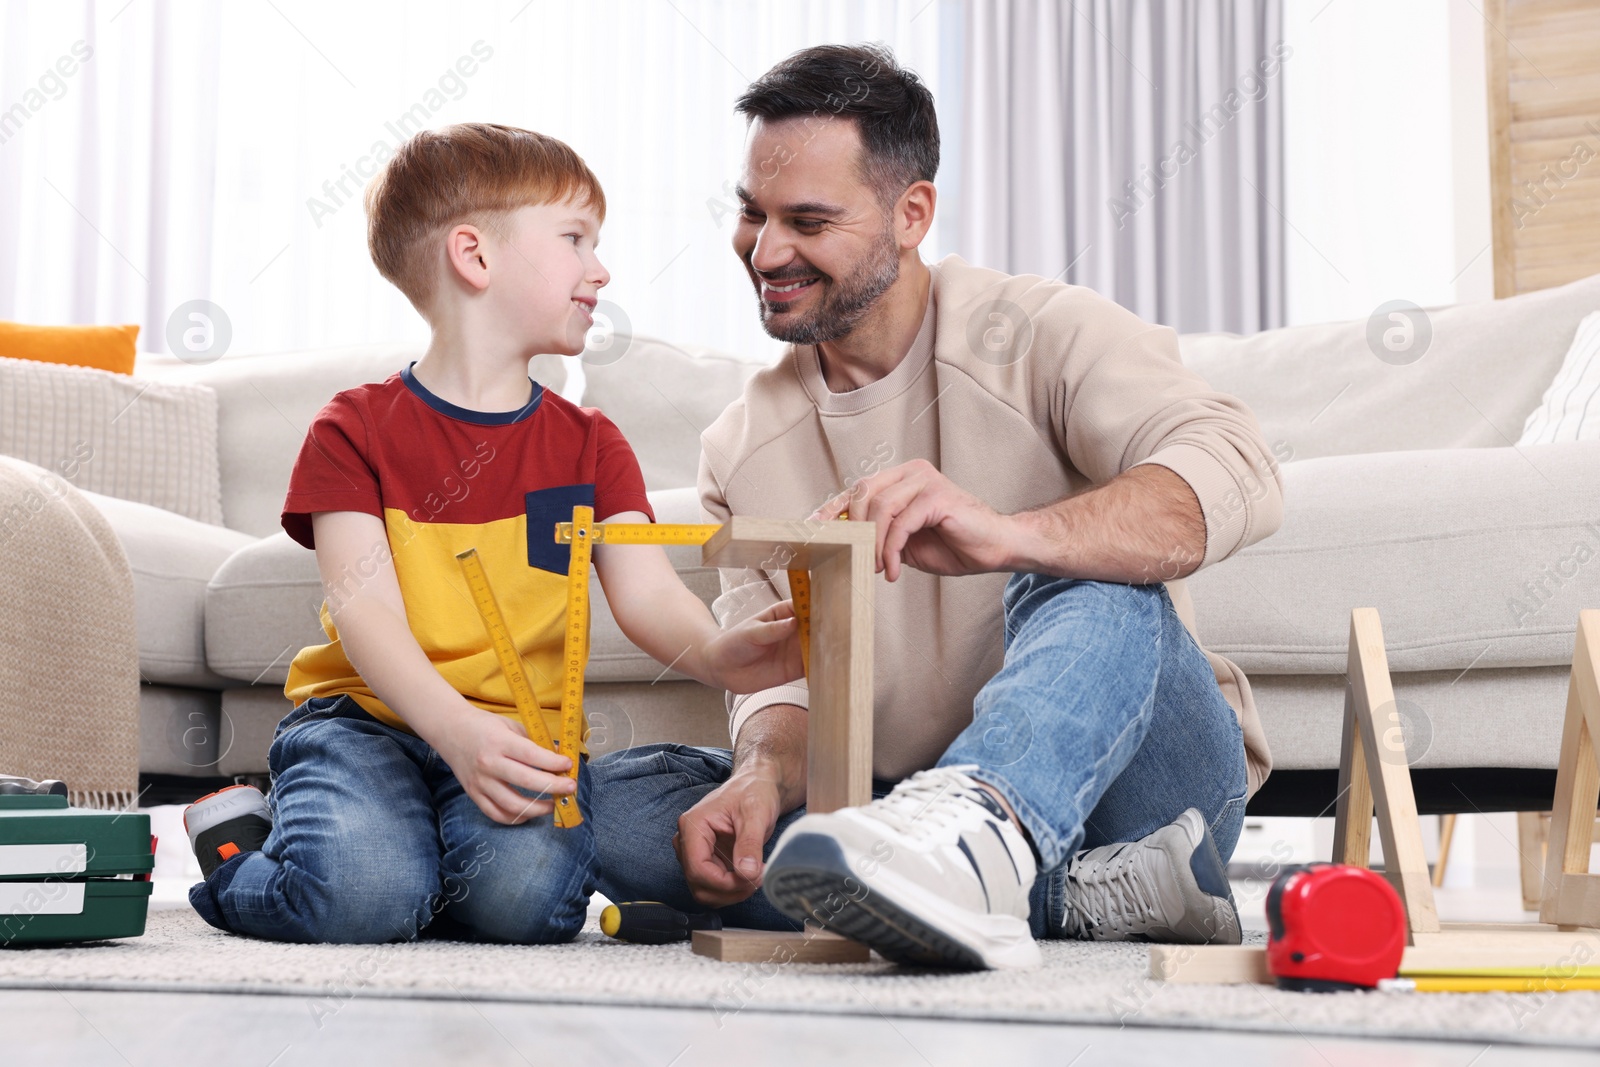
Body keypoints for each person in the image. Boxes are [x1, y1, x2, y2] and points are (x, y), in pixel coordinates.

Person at [589, 44, 1285, 970]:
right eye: (752, 214)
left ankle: (985, 838)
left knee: (1090, 576)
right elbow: (780, 682)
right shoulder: (742, 446)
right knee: (613, 815)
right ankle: (1071, 895)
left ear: (911, 211)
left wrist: (1012, 536)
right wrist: (762, 772)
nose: (765, 251)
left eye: (808, 220)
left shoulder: (1041, 332)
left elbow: (1238, 467)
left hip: (1142, 788)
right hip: (893, 801)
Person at [184, 123, 803, 945]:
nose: (601, 269)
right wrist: (452, 728)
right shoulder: (353, 429)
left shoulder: (589, 446)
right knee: (359, 897)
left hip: (522, 735)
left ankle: (419, 873)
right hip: (370, 725)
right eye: (576, 239)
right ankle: (240, 849)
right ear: (474, 257)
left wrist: (723, 654)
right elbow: (364, 611)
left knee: (524, 907)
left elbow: (647, 590)